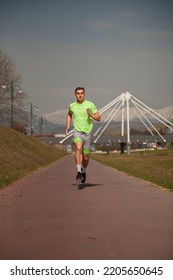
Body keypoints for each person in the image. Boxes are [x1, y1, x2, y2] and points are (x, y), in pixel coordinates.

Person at [66, 86, 101, 183]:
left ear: (84, 94)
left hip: (87, 133)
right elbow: (69, 114)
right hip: (77, 131)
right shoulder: (72, 105)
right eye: (78, 93)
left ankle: (84, 171)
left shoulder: (90, 104)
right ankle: (78, 171)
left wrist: (91, 115)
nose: (80, 95)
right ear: (75, 95)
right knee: (78, 147)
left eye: (82, 93)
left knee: (85, 157)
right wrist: (68, 126)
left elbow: (99, 118)